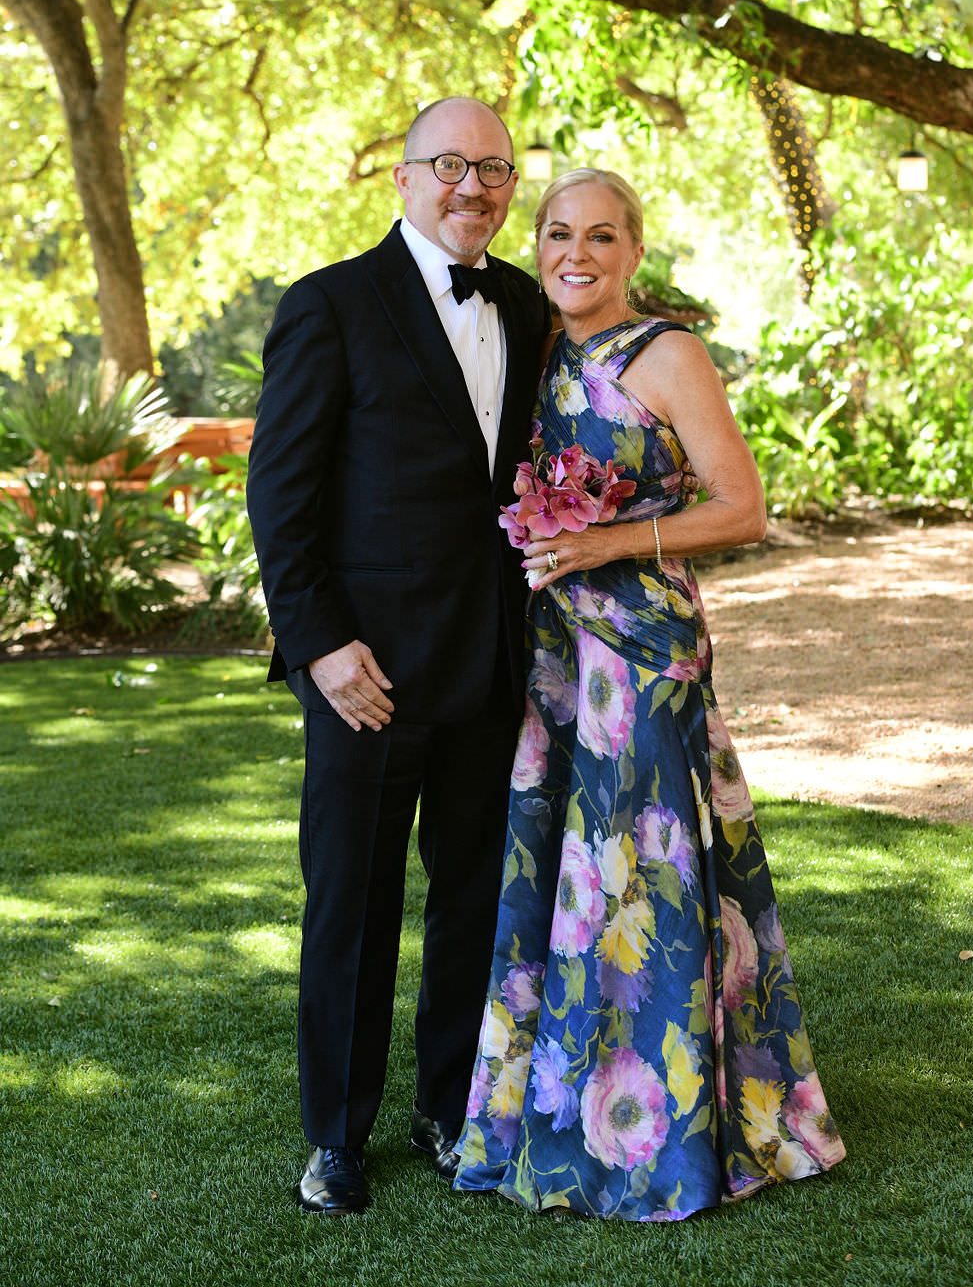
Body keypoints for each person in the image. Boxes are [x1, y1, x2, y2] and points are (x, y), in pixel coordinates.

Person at [453, 169, 846, 1221]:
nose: (575, 254)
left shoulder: (667, 354)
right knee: (567, 879)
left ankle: (666, 1134)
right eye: (556, 234)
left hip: (643, 654)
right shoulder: (536, 350)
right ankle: (556, 1111)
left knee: (647, 877)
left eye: (599, 236)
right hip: (553, 656)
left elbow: (742, 507)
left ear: (633, 251)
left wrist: (605, 544)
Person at [246, 97, 550, 1215]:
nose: (474, 187)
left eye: (495, 169)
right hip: (365, 673)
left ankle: (447, 1109)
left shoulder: (527, 303)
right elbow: (279, 496)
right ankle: (335, 1137)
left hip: (490, 661)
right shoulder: (329, 303)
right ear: (404, 177)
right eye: (451, 165)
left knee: (473, 901)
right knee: (354, 904)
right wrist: (319, 645)